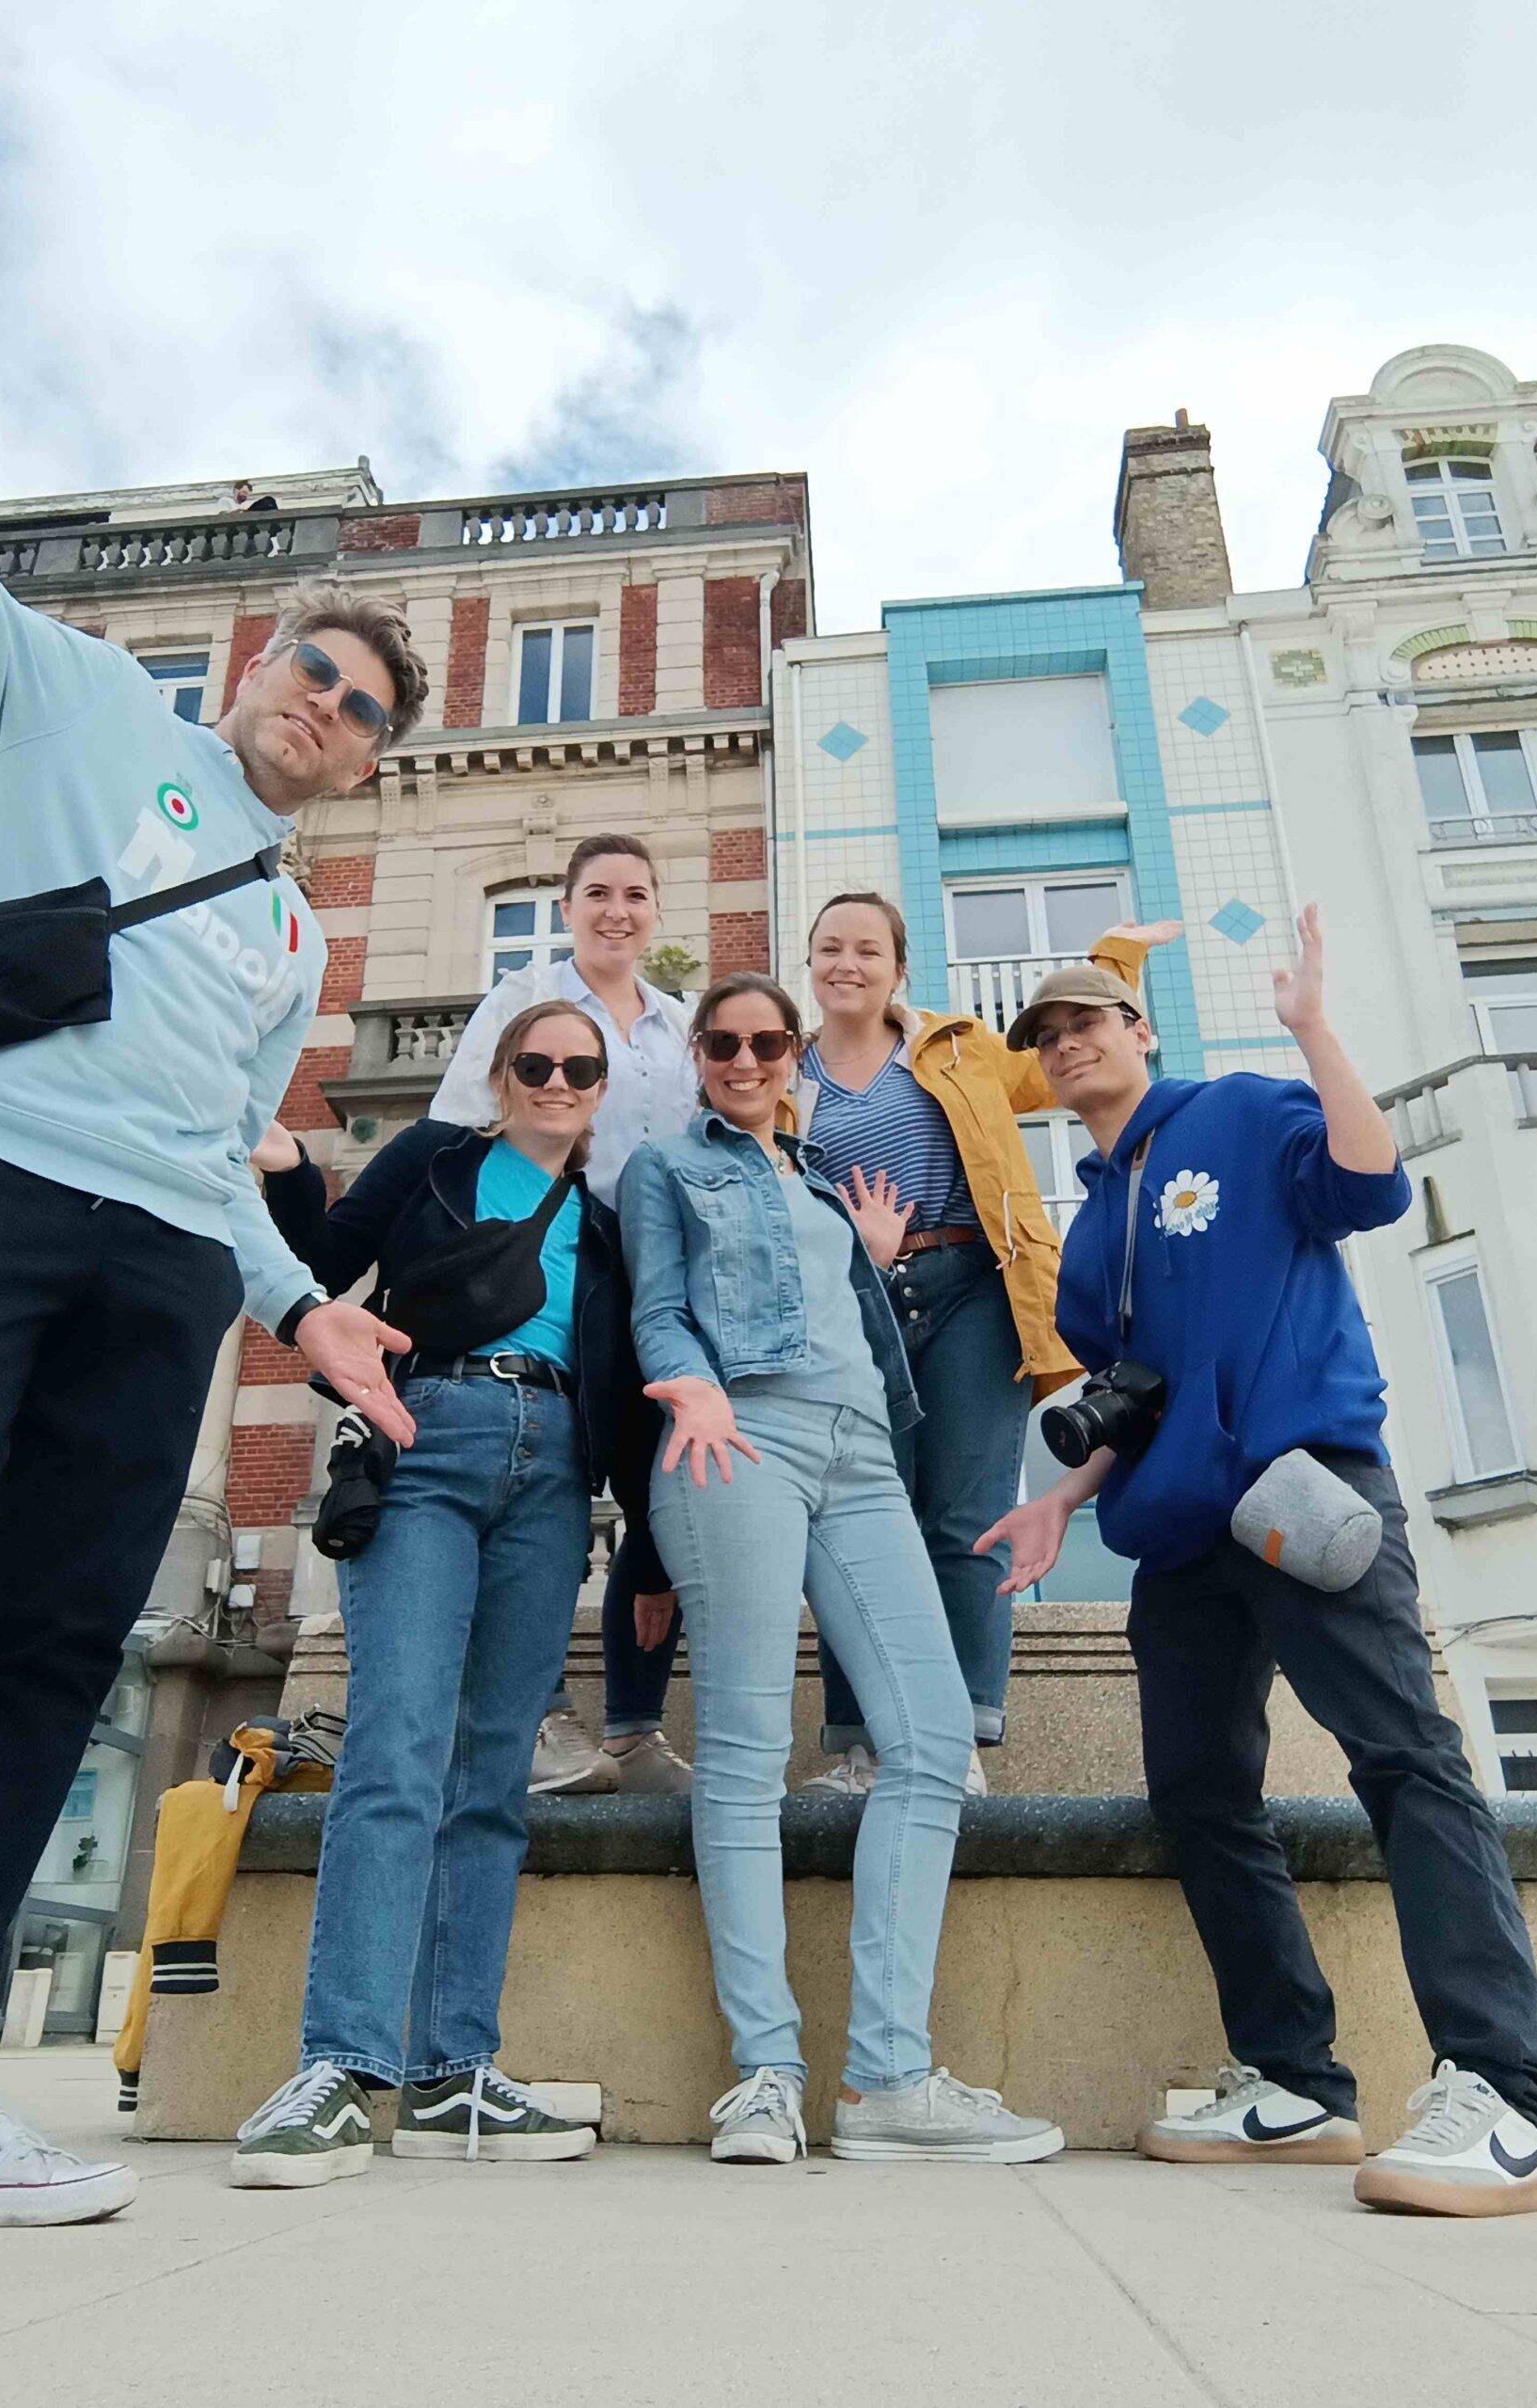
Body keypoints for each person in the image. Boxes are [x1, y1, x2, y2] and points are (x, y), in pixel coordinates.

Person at [0, 36, 426, 2230]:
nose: (325, 708)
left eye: (364, 711)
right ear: (256, 659)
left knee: (58, 1634)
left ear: (368, 770)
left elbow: (210, 1147)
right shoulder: (82, 702)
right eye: (313, 670)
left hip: (152, 1260)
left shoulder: (285, 931)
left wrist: (306, 1312)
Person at [980, 909, 1537, 2217]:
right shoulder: (1091, 1230)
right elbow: (1134, 1393)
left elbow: (1367, 1186)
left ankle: (1506, 2093)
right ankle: (1295, 2080)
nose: (1068, 1043)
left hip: (1304, 1495)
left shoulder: (1240, 1113)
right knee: (1198, 1796)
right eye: (1047, 1034)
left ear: (1140, 1030)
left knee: (1407, 1762)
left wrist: (1313, 1031)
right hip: (1181, 1538)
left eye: (1089, 1020)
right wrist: (1060, 1502)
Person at [619, 974, 1063, 2165]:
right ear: (700, 1054)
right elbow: (658, 1310)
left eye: (770, 1042)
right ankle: (766, 2068)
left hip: (864, 1454)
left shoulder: (816, 1175)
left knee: (928, 1740)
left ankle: (886, 2079)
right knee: (748, 1753)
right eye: (724, 1043)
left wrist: (865, 1254)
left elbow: (857, 1318)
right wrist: (696, 1384)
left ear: (794, 1053)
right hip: (736, 1440)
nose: (748, 1060)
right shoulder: (668, 1167)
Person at [231, 1000, 662, 2182]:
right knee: (396, 1748)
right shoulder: (434, 1159)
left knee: (492, 1775)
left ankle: (452, 2071)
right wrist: (289, 1172)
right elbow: (316, 1276)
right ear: (502, 1070)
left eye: (581, 1067)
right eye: (537, 1062)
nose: (558, 1081)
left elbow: (631, 1383)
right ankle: (340, 2064)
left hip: (555, 1474)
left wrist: (652, 1552)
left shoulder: (611, 1222)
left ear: (601, 1086)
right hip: (429, 1437)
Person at [794, 895, 1179, 1798]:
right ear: (809, 964)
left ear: (898, 968)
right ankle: (862, 1746)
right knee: (856, 1521)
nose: (846, 964)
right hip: (854, 1304)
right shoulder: (785, 1074)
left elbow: (1059, 1067)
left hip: (971, 1283)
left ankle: (953, 1738)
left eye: (867, 949)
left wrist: (1115, 957)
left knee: (963, 1518)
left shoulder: (958, 1048)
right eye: (828, 949)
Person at [436, 832, 696, 1798]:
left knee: (661, 1494)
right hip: (549, 1263)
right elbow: (457, 1122)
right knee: (542, 1479)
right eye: (597, 893)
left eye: (634, 893)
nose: (616, 910)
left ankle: (631, 1729)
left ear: (655, 908)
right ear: (568, 904)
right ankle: (537, 1713)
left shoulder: (680, 1022)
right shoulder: (524, 1003)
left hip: (660, 1273)